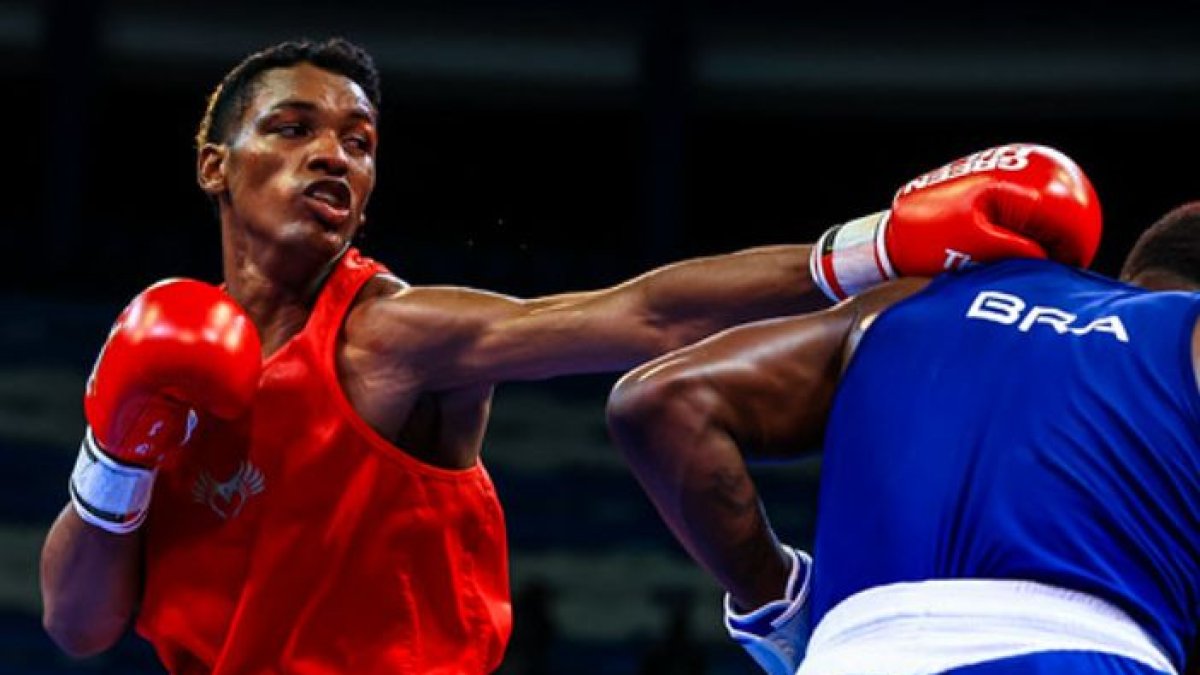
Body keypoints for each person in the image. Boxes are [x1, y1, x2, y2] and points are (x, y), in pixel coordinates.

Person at [37, 37, 1096, 674]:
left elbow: (636, 317)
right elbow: (78, 627)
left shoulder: (389, 335)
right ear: (215, 163)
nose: (334, 155)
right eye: (295, 128)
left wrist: (870, 249)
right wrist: (119, 456)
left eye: (359, 142)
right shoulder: (165, 364)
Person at [606, 189, 1199, 675]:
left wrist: (783, 608)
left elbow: (663, 399)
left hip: (853, 655)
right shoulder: (1184, 333)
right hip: (1085, 655)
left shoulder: (903, 304)